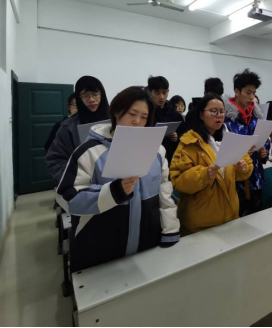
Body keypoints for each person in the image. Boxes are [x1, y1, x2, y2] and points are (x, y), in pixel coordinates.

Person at [56, 86, 180, 272]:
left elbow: (165, 193)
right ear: (116, 112)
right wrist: (113, 192)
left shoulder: (157, 151)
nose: (137, 121)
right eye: (132, 114)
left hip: (147, 243)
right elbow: (68, 198)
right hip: (99, 249)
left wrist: (170, 230)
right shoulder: (90, 152)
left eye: (144, 117)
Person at [170, 95, 253, 235]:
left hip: (230, 216)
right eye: (214, 111)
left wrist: (243, 168)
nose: (219, 115)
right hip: (201, 222)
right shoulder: (189, 142)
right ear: (201, 114)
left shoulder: (231, 138)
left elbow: (246, 167)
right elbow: (177, 180)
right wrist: (204, 174)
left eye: (222, 111)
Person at [46, 76, 110, 187]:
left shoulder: (117, 120)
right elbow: (55, 160)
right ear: (79, 98)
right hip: (83, 186)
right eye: (85, 95)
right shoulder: (67, 127)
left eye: (95, 94)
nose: (91, 99)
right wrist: (77, 178)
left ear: (102, 94)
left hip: (115, 182)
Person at [224, 69, 271, 216]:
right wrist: (242, 153)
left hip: (256, 180)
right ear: (237, 92)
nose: (252, 97)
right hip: (236, 183)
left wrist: (263, 152)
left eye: (254, 93)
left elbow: (265, 141)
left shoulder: (256, 117)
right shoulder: (226, 119)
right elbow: (221, 151)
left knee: (258, 220)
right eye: (248, 92)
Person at [148, 76, 186, 163]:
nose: (161, 97)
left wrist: (177, 137)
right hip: (149, 156)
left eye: (164, 93)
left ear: (168, 92)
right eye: (157, 93)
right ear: (150, 93)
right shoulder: (146, 113)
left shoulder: (175, 114)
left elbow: (185, 136)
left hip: (171, 158)